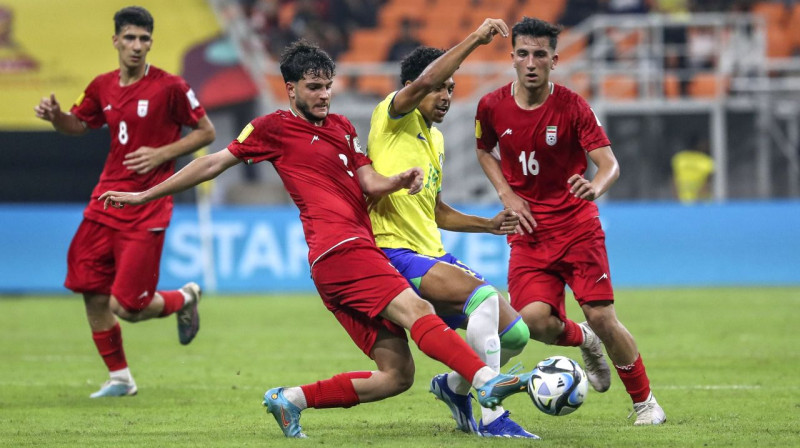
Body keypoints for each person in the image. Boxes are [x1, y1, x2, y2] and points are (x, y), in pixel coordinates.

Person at [99, 37, 535, 439]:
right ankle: (485, 382)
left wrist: (398, 180)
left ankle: (290, 399)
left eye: (327, 86)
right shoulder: (272, 128)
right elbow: (213, 163)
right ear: (290, 89)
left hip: (344, 259)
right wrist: (145, 194)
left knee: (396, 375)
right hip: (340, 249)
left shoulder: (343, 127)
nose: (324, 95)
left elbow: (368, 182)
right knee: (418, 308)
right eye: (313, 87)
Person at [474, 16, 666, 425]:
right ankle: (584, 340)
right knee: (532, 322)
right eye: (523, 53)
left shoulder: (573, 106)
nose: (530, 62)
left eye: (539, 54)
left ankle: (646, 403)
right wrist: (506, 194)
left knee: (602, 314)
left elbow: (609, 164)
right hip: (528, 233)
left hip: (577, 228)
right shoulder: (491, 106)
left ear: (554, 60)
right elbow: (484, 150)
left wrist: (596, 187)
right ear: (512, 58)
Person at [32, 7, 215, 398]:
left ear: (151, 43)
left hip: (147, 206)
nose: (136, 46)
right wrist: (56, 117)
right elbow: (78, 124)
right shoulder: (102, 86)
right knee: (91, 290)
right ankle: (120, 378)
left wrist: (162, 153)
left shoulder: (170, 87)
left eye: (144, 39)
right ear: (115, 40)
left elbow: (206, 132)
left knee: (128, 308)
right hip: (105, 200)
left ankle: (184, 297)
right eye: (129, 38)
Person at [367, 25, 536, 437]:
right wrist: (477, 40)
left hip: (432, 253)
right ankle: (494, 416)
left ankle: (453, 385)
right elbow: (425, 78)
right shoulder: (391, 116)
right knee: (482, 299)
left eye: (451, 88)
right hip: (395, 253)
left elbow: (437, 212)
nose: (446, 95)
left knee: (515, 333)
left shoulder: (436, 139)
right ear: (413, 87)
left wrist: (488, 225)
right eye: (439, 87)